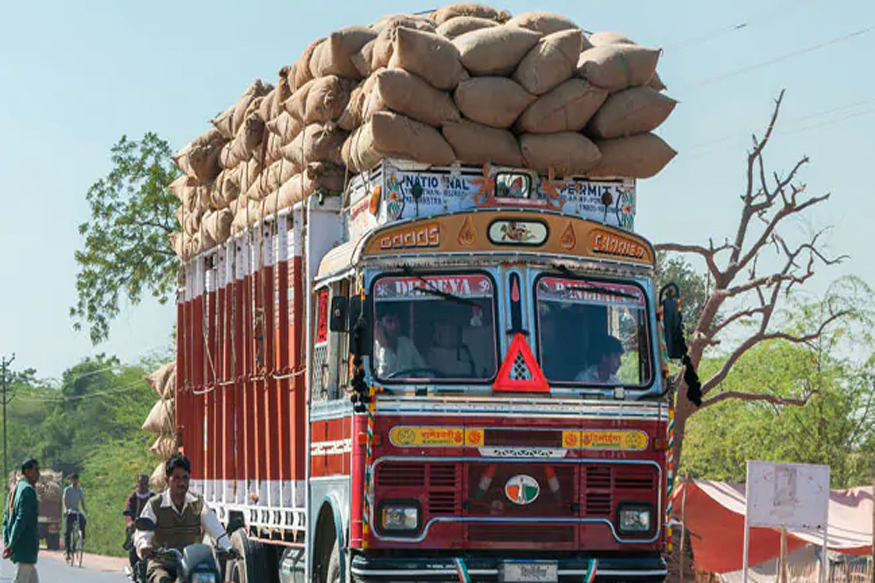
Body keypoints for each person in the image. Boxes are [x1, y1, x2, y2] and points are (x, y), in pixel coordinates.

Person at [135, 454, 232, 583]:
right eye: (176, 478)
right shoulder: (155, 504)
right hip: (162, 564)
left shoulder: (197, 503)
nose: (181, 483)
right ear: (167, 480)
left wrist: (229, 547)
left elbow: (215, 528)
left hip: (193, 563)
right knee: (161, 580)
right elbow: (143, 533)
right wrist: (144, 546)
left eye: (185, 478)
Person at [2, 458, 40, 583]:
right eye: (36, 470)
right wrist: (11, 544)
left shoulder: (14, 490)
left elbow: (6, 518)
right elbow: (21, 519)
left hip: (21, 547)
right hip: (26, 545)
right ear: (27, 472)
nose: (38, 474)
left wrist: (8, 541)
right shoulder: (28, 490)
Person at [373, 305, 425, 377]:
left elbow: (423, 371)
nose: (394, 326)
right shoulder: (373, 350)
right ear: (379, 325)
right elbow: (380, 378)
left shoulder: (407, 344)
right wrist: (384, 348)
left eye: (396, 321)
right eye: (389, 321)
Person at [123, 474, 155, 570]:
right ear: (137, 484)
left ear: (148, 485)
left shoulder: (153, 497)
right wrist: (130, 522)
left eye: (145, 483)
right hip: (137, 527)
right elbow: (128, 511)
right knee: (133, 543)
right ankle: (134, 568)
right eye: (140, 483)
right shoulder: (132, 497)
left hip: (151, 527)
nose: (142, 486)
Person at [63, 473, 87, 558]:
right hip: (69, 512)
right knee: (68, 531)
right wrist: (66, 509)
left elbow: (82, 501)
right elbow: (64, 501)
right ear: (71, 480)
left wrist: (85, 510)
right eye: (73, 480)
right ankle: (67, 550)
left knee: (83, 520)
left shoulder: (80, 490)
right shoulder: (67, 490)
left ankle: (82, 538)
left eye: (76, 480)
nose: (75, 481)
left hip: (76, 511)